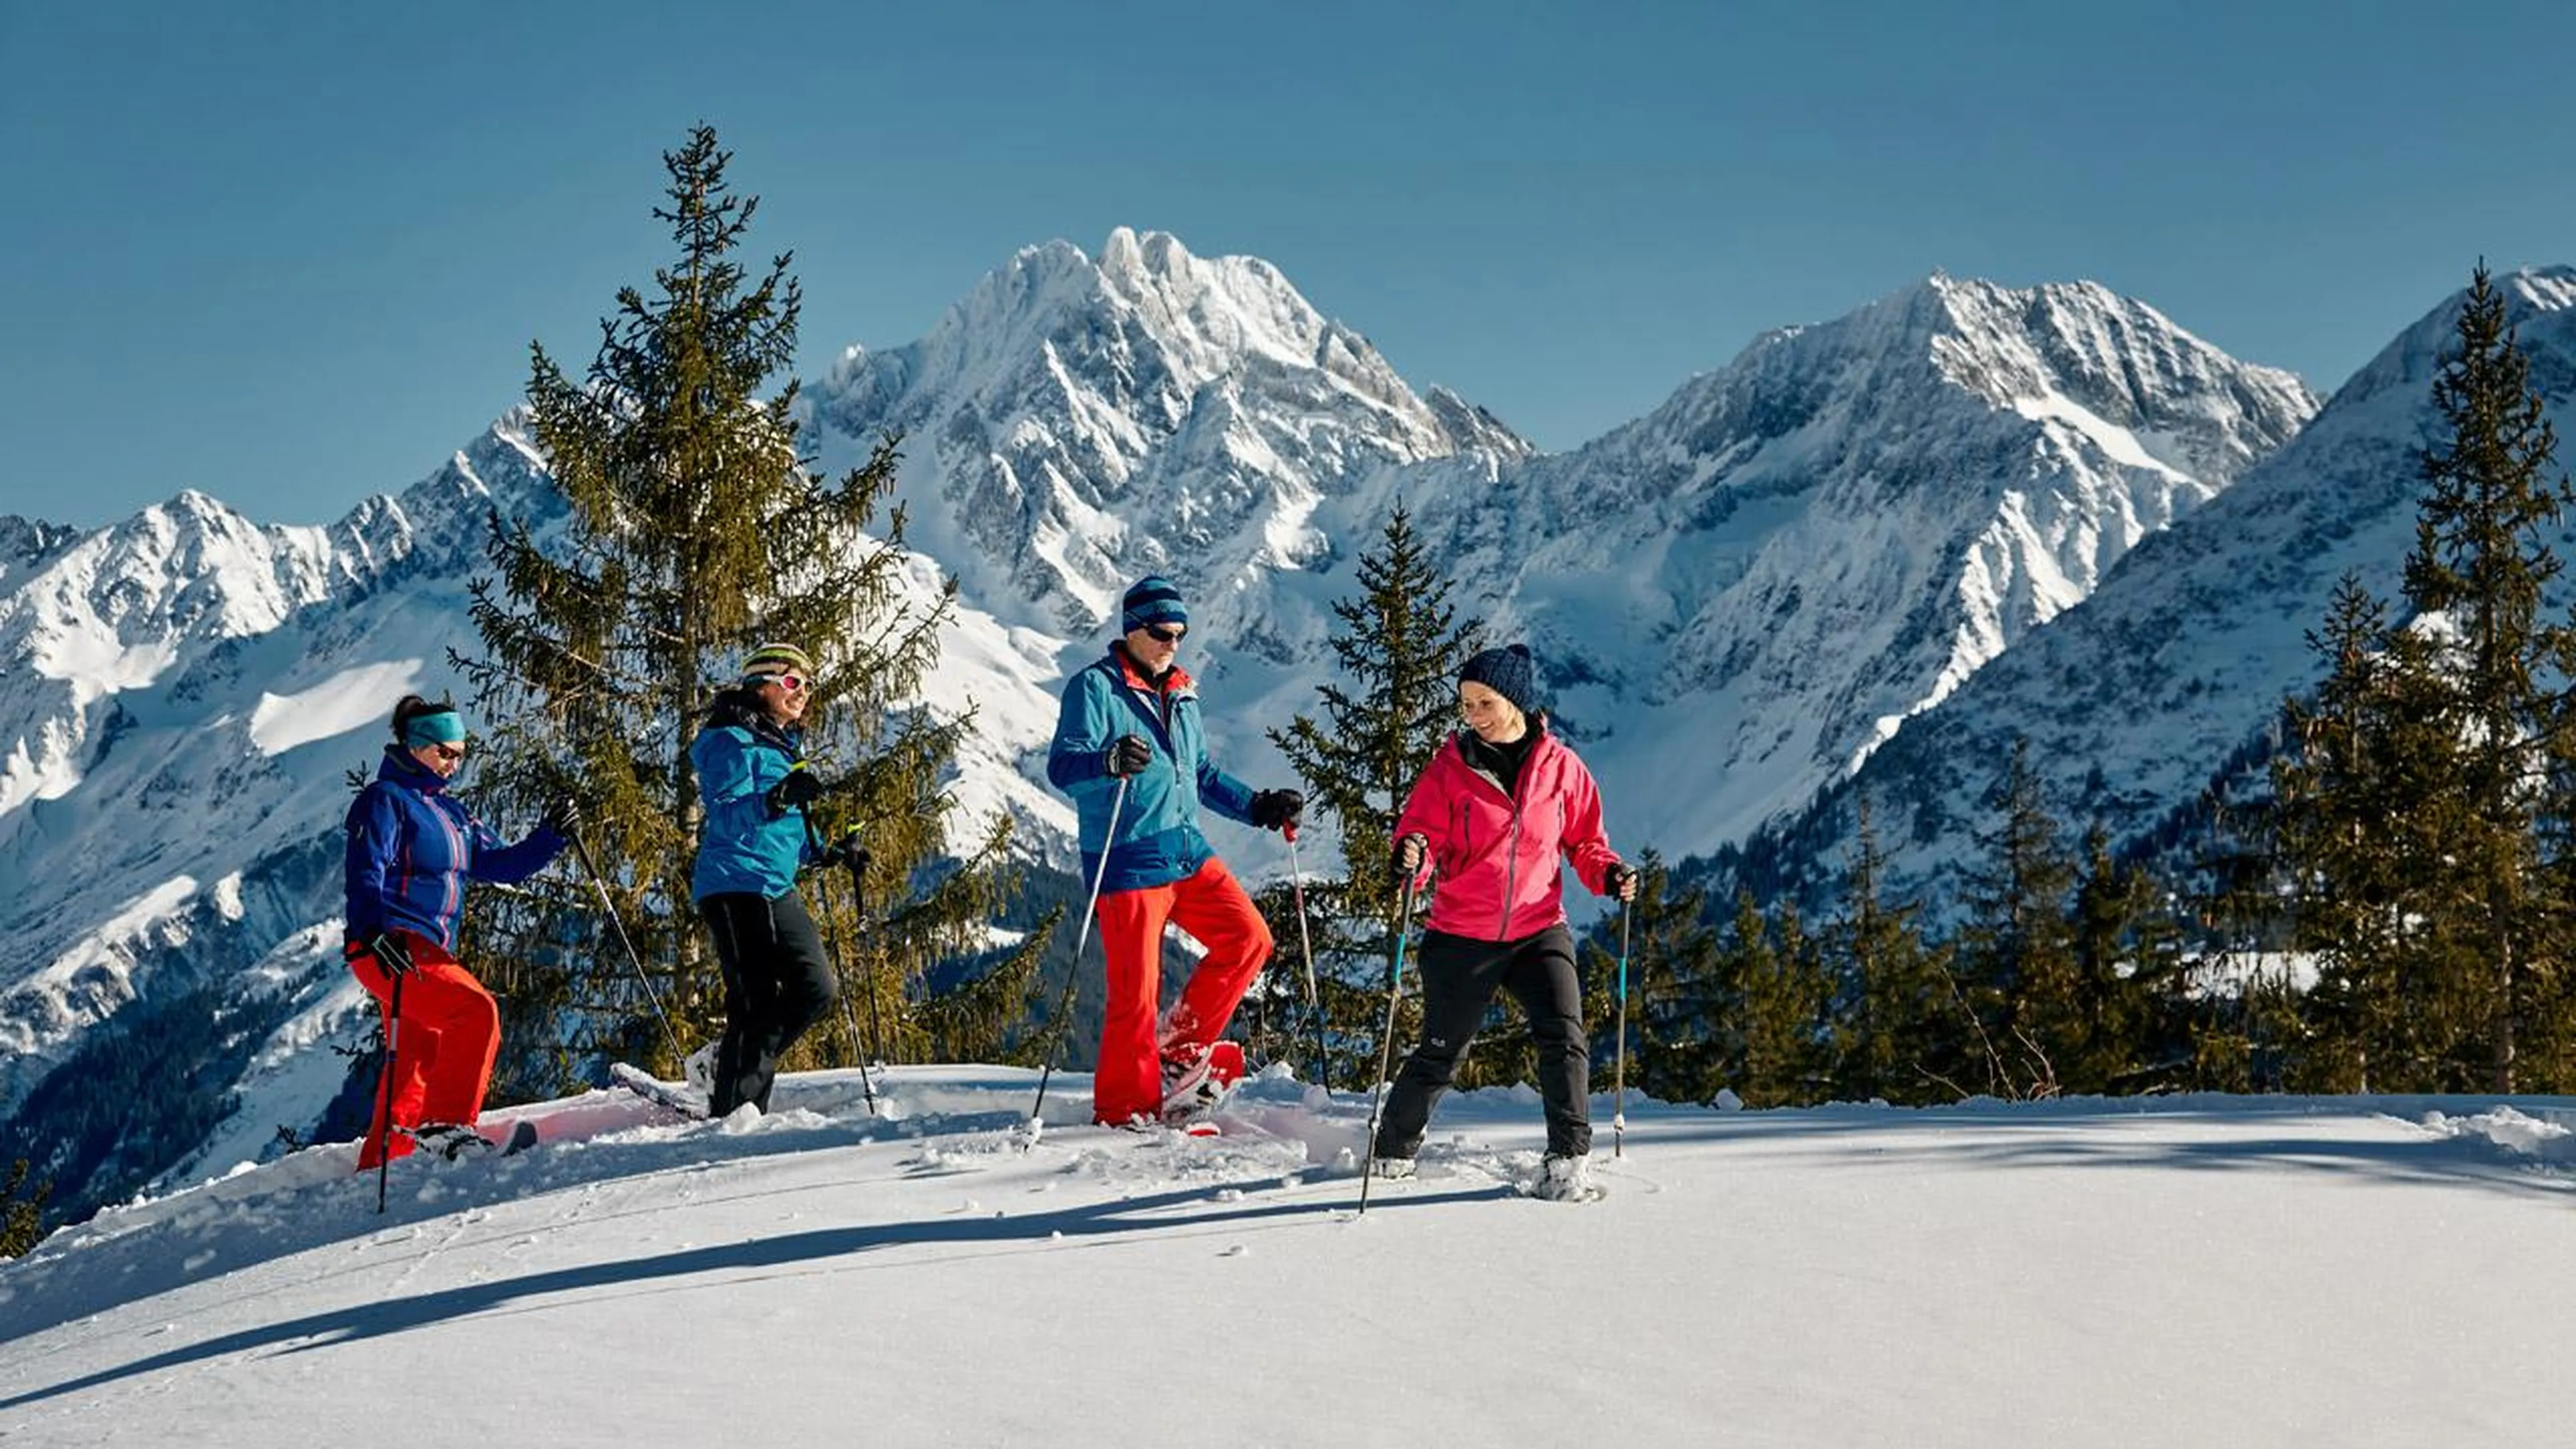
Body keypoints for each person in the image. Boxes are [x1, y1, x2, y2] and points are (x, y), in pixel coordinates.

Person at [1371, 643, 1636, 1201]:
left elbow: (1586, 842)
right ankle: (1392, 1148)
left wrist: (1609, 875)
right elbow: (1419, 835)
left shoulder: (1562, 769)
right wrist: (1411, 856)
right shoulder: (1449, 771)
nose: (1472, 715)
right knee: (1443, 1052)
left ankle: (1568, 1159)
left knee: (1564, 1038)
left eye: (1483, 703)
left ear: (1516, 702)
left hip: (1539, 928)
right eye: (1465, 705)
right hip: (1462, 934)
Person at [1046, 574, 1304, 1126]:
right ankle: (1125, 1111)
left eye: (1180, 634)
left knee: (1249, 940)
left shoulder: (1181, 692)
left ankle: (1178, 1052)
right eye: (1163, 632)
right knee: (1135, 997)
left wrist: (1257, 806)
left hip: (1187, 851)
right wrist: (1107, 761)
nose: (1173, 643)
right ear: (1134, 629)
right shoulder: (1095, 689)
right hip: (1128, 859)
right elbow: (1063, 767)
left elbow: (1200, 774)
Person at [344, 695, 574, 1168]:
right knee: (474, 1012)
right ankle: (447, 1128)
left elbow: (501, 867)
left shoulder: (453, 814)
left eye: (460, 754)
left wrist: (550, 836)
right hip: (391, 944)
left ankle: (386, 1163)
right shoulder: (385, 801)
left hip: (426, 948)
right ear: (414, 747)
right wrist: (372, 932)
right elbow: (366, 870)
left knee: (415, 1060)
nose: (454, 763)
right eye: (444, 752)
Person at [690, 642, 856, 1117]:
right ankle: (735, 1113)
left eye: (807, 684)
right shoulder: (728, 740)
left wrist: (828, 852)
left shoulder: (780, 745)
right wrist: (778, 798)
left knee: (815, 989)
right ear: (758, 685)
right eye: (790, 681)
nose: (801, 692)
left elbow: (787, 825)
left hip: (774, 885)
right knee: (757, 1000)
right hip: (734, 883)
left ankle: (728, 1061)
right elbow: (725, 817)